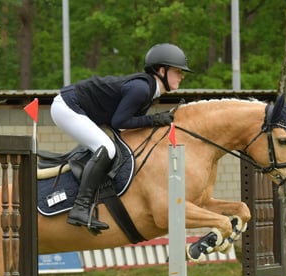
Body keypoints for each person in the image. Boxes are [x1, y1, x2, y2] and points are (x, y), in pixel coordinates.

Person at [50, 42, 191, 233]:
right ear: (161, 70)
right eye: (178, 71)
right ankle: (80, 208)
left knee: (109, 149)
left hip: (77, 108)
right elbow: (120, 122)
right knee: (107, 149)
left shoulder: (147, 89)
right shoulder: (141, 89)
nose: (182, 76)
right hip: (67, 107)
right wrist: (155, 119)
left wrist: (153, 120)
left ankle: (95, 204)